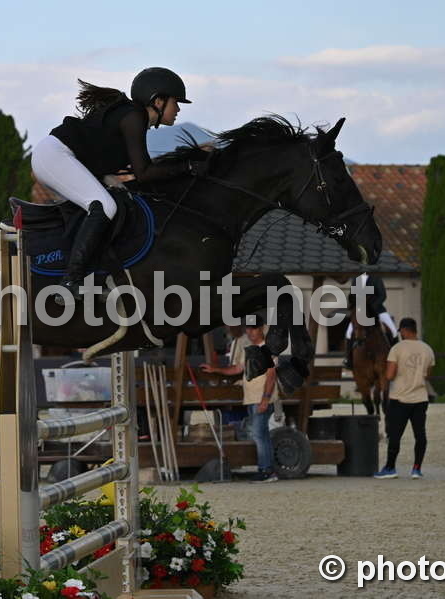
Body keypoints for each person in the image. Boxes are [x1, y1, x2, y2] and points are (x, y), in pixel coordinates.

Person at [31, 67, 205, 302]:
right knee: (105, 206)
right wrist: (188, 167)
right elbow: (144, 173)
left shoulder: (132, 117)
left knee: (109, 202)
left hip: (57, 156)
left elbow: (139, 172)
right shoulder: (134, 117)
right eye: (176, 102)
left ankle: (93, 272)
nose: (178, 110)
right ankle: (70, 281)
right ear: (158, 101)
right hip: (55, 156)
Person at [200, 316, 283, 483]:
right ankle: (268, 470)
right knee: (261, 434)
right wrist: (216, 369)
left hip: (261, 398)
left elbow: (271, 376)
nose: (250, 332)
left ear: (261, 329)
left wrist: (265, 399)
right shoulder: (248, 349)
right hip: (252, 398)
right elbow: (237, 369)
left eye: (254, 328)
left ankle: (266, 470)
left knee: (258, 434)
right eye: (248, 328)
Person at [374, 317, 435, 479]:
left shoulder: (397, 349)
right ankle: (416, 468)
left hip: (399, 397)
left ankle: (390, 467)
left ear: (405, 330)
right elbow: (428, 374)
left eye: (401, 331)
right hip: (420, 398)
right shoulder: (427, 349)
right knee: (420, 434)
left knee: (395, 434)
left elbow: (389, 375)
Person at [343, 272, 398, 370]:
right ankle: (348, 359)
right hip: (360, 312)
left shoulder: (376, 278)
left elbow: (382, 295)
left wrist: (371, 307)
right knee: (348, 333)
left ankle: (396, 358)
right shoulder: (356, 279)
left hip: (377, 310)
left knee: (393, 331)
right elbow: (352, 295)